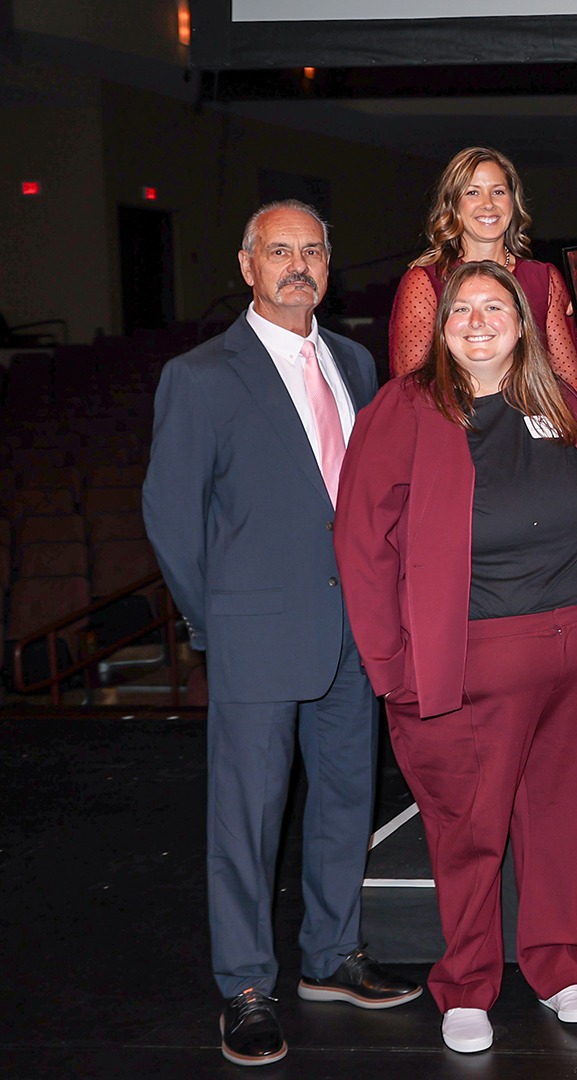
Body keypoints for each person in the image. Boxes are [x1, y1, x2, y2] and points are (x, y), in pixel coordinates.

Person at [333, 261, 577, 1053]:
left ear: (522, 322)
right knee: (469, 829)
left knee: (568, 813)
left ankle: (558, 967)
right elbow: (361, 544)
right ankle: (466, 984)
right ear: (438, 327)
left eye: (493, 307)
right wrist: (392, 666)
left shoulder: (556, 400)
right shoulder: (404, 408)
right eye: (460, 308)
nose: (477, 320)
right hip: (473, 658)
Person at [143, 201, 421, 1068]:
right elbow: (170, 519)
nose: (298, 265)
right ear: (246, 264)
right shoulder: (200, 377)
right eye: (279, 252)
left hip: (351, 632)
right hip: (255, 636)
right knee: (248, 820)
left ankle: (332, 957)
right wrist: (216, 624)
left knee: (345, 802)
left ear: (328, 267)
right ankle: (246, 985)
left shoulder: (355, 360)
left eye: (312, 252)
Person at [389, 146, 577, 392]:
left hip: (531, 424)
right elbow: (410, 383)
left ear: (513, 202)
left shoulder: (543, 278)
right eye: (473, 192)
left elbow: (568, 382)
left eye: (498, 192)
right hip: (456, 424)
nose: (488, 204)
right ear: (452, 204)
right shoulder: (425, 281)